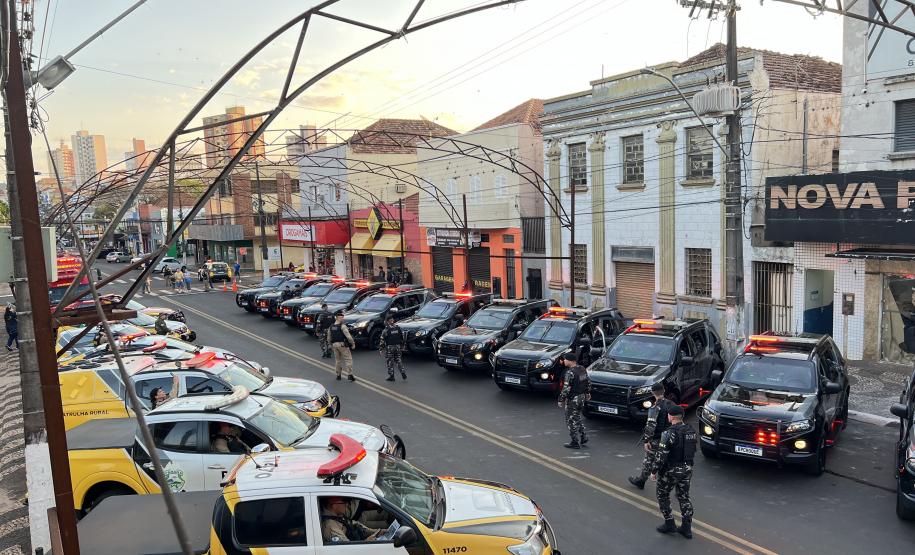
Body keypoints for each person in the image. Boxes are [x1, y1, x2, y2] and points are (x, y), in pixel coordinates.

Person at [650, 404, 697, 539]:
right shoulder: (691, 431)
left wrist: (654, 471)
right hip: (687, 469)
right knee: (684, 496)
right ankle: (686, 528)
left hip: (671, 470)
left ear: (671, 417)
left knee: (662, 494)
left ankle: (669, 523)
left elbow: (661, 455)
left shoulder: (669, 433)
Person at [629, 382, 676, 489]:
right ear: (663, 391)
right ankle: (675, 486)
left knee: (649, 460)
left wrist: (647, 441)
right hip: (670, 438)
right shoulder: (672, 404)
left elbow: (651, 425)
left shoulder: (655, 407)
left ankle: (641, 481)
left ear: (652, 393)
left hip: (657, 439)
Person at [556, 351, 590, 449]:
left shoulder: (570, 373)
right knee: (577, 417)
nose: (564, 361)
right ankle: (583, 436)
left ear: (570, 361)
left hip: (573, 399)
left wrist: (561, 399)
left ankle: (574, 442)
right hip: (581, 397)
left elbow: (566, 388)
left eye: (565, 359)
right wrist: (587, 392)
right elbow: (587, 381)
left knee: (570, 420)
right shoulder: (582, 369)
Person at [327, 311, 356, 381]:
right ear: (338, 318)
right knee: (348, 359)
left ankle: (338, 375)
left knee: (338, 360)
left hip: (334, 345)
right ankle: (350, 375)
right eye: (341, 317)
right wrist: (353, 343)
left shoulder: (331, 327)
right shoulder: (342, 326)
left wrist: (331, 344)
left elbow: (328, 338)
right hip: (342, 345)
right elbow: (348, 336)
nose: (343, 319)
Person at [379, 316, 406, 382]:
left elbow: (382, 340)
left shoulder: (386, 330)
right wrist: (402, 346)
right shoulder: (398, 328)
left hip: (390, 347)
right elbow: (401, 338)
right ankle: (403, 373)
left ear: (387, 322)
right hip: (398, 347)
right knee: (398, 360)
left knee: (390, 361)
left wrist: (381, 349)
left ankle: (392, 376)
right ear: (393, 320)